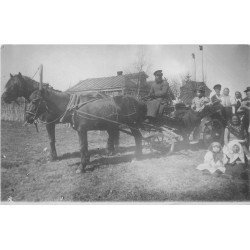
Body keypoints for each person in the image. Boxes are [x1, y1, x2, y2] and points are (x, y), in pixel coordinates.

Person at [237, 87, 250, 151]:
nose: (248, 95)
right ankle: (246, 148)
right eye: (247, 94)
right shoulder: (244, 100)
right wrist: (242, 108)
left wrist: (245, 107)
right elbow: (238, 110)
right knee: (245, 132)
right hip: (246, 118)